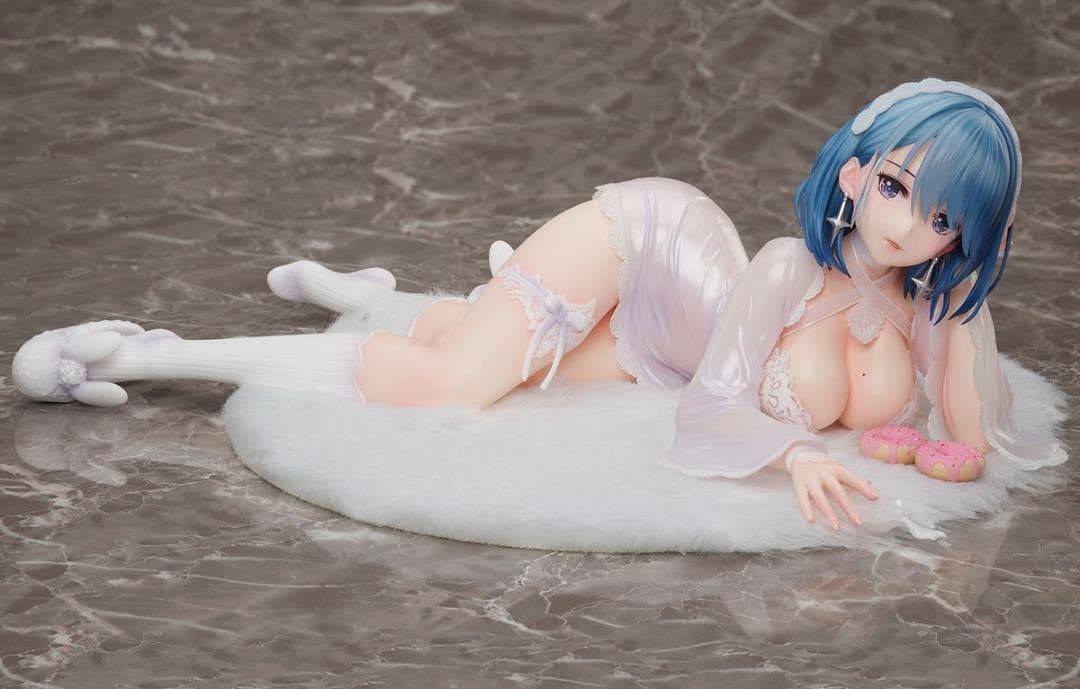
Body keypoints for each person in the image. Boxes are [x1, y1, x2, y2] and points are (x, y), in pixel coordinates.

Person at [12, 78, 1065, 533]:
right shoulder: (791, 267)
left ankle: (371, 299)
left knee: (494, 363)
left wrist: (966, 310)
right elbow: (715, 407)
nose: (909, 225)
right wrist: (792, 455)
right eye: (899, 188)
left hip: (660, 343)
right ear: (857, 174)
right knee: (447, 384)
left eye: (944, 218)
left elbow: (970, 446)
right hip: (650, 243)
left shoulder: (928, 309)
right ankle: (147, 352)